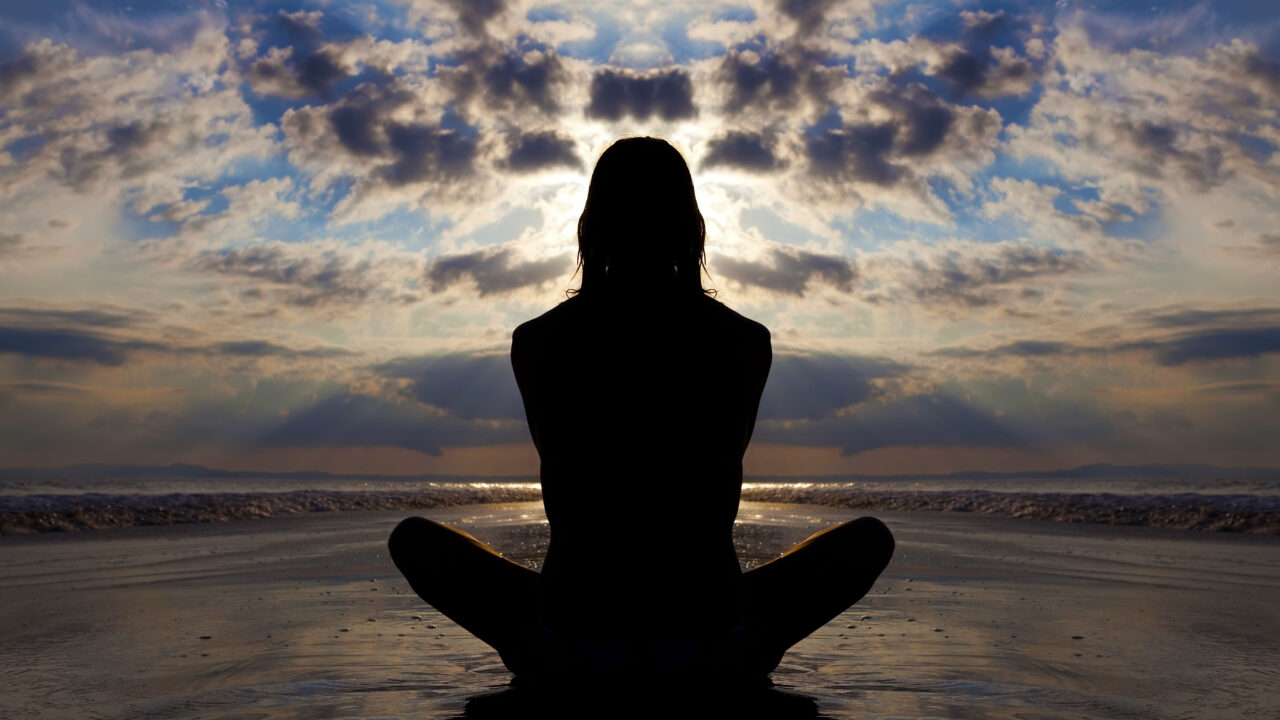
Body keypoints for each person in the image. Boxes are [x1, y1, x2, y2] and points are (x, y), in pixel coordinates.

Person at [388, 136, 894, 687]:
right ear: (690, 226)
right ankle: (736, 649)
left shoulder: (537, 342)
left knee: (413, 540)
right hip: (707, 623)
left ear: (592, 226)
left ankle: (542, 649)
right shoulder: (745, 342)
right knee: (869, 540)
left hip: (575, 623)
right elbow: (710, 473)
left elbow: (572, 473)